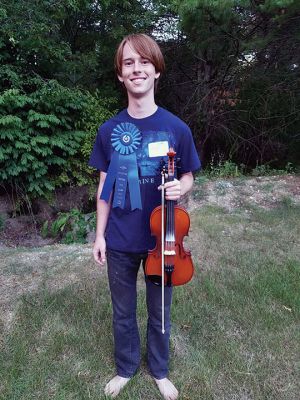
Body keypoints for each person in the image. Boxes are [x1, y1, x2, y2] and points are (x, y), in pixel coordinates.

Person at [89, 33, 201, 400]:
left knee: (159, 311)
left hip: (163, 241)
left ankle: (160, 369)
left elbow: (188, 176)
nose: (137, 69)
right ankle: (125, 367)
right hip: (120, 239)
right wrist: (100, 235)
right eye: (128, 63)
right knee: (122, 312)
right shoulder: (108, 131)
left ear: (157, 72)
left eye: (144, 62)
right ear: (121, 75)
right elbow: (104, 187)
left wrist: (181, 188)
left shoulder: (176, 128)